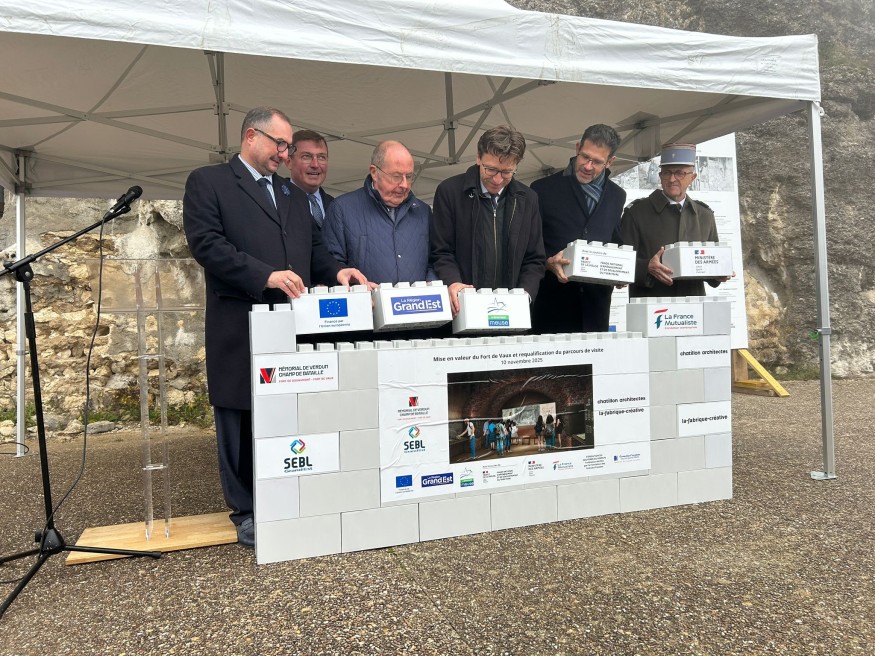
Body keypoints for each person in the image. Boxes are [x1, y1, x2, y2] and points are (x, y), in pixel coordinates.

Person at [183, 107, 368, 548]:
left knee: (287, 416)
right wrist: (264, 275)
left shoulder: (292, 195)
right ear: (251, 136)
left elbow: (315, 251)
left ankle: (288, 496)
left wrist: (338, 272)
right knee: (239, 418)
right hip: (239, 323)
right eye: (280, 145)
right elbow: (207, 244)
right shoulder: (209, 182)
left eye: (288, 147)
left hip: (291, 327)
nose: (285, 155)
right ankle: (245, 510)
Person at [430, 125, 546, 316]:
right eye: (491, 169)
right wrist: (453, 282)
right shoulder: (450, 192)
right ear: (478, 157)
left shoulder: (528, 199)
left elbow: (534, 258)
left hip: (511, 312)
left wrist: (525, 295)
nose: (498, 180)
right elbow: (441, 251)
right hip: (462, 309)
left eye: (507, 172)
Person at [531, 124, 627, 333]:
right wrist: (547, 262)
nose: (588, 166)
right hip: (551, 308)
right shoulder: (542, 190)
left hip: (596, 310)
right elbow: (528, 247)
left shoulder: (617, 196)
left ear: (610, 162)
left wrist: (622, 270)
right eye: (585, 157)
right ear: (577, 148)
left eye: (597, 161)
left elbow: (615, 241)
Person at [619, 143, 728, 298]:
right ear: (659, 176)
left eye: (679, 173)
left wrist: (720, 272)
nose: (672, 179)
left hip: (693, 307)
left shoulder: (705, 215)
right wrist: (646, 267)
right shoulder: (636, 213)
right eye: (667, 173)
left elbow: (712, 266)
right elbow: (619, 264)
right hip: (650, 306)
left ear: (692, 177)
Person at [322, 141, 435, 284]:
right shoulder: (341, 209)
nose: (404, 185)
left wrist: (430, 286)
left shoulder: (423, 212)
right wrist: (358, 286)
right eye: (396, 176)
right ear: (374, 173)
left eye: (409, 176)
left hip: (420, 298)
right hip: (366, 298)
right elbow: (332, 265)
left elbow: (437, 260)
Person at [286, 129, 332, 231]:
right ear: (289, 162)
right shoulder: (276, 200)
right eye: (306, 157)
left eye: (321, 157)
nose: (315, 165)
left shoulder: (336, 205)